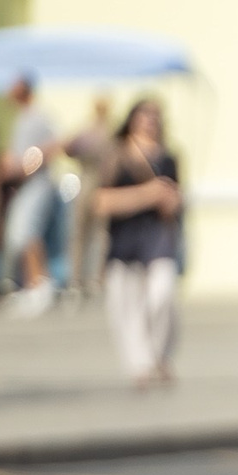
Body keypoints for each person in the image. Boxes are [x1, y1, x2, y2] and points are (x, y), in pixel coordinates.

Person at [96, 99, 184, 389]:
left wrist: (172, 202)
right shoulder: (118, 155)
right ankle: (139, 364)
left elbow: (177, 200)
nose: (151, 121)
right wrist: (148, 194)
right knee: (127, 305)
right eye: (145, 114)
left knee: (163, 293)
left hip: (157, 235)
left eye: (156, 115)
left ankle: (160, 354)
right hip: (125, 236)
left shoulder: (168, 158)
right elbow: (101, 201)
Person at [0, 75, 65, 314]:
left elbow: (52, 145)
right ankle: (31, 283)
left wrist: (27, 166)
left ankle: (40, 283)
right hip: (24, 186)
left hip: (37, 184)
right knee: (19, 235)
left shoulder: (37, 116)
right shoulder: (21, 118)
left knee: (28, 232)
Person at [65, 95, 117, 298]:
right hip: (87, 179)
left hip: (101, 182)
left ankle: (96, 277)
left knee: (100, 233)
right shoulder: (90, 130)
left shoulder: (108, 131)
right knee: (80, 232)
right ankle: (77, 278)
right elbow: (69, 147)